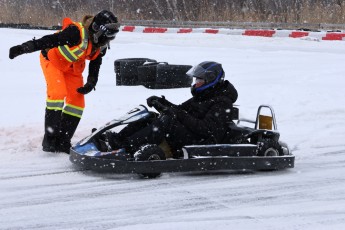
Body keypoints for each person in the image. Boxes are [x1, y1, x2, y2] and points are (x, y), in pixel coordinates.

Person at [8, 10, 120, 153]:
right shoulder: (75, 33)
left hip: (72, 68)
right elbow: (49, 40)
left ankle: (63, 141)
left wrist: (92, 81)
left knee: (77, 103)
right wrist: (24, 48)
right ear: (97, 29)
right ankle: (50, 140)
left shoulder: (100, 43)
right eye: (108, 35)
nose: (109, 39)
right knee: (57, 94)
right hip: (52, 61)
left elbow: (96, 61)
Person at [105, 61, 238, 157]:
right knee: (151, 116)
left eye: (199, 80)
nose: (196, 83)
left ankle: (127, 147)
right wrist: (161, 103)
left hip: (203, 141)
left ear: (210, 80)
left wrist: (176, 114)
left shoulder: (222, 102)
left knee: (167, 121)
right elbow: (180, 109)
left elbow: (205, 129)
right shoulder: (205, 95)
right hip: (191, 134)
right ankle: (118, 139)